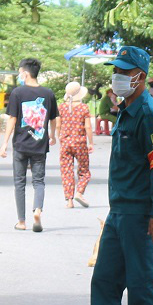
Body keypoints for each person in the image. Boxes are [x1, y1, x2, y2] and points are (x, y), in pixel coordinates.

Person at [68, 46, 153, 305]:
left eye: (124, 72)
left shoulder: (150, 114)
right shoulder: (126, 110)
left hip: (140, 213)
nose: (118, 77)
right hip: (118, 211)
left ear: (140, 77)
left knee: (142, 286)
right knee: (105, 280)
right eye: (117, 71)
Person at [0, 57, 59, 232]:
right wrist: (52, 135)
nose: (19, 75)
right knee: (39, 181)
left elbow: (12, 119)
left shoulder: (18, 93)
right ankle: (38, 210)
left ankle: (22, 221)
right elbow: (55, 118)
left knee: (19, 183)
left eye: (19, 73)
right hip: (40, 144)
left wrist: (4, 143)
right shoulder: (48, 94)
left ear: (25, 73)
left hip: (20, 145)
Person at [58, 81, 95, 209]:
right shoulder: (84, 108)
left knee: (66, 171)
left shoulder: (61, 107)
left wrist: (60, 137)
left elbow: (58, 125)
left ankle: (69, 201)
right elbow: (88, 127)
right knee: (84, 170)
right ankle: (79, 192)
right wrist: (91, 142)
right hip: (80, 143)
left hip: (65, 143)